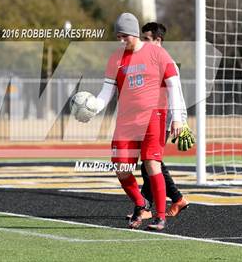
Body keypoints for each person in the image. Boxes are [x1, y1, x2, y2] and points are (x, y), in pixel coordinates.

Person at [75, 13, 186, 231]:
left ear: (134, 33)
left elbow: (174, 85)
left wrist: (178, 118)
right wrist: (92, 109)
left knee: (151, 163)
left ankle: (160, 216)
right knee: (121, 167)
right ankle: (141, 203)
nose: (121, 40)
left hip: (153, 116)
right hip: (126, 120)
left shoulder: (157, 52)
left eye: (125, 36)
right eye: (118, 36)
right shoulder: (116, 58)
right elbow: (106, 92)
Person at [133, 22, 190, 219]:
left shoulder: (167, 62)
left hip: (162, 119)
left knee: (151, 163)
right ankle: (175, 199)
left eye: (147, 39)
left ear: (158, 40)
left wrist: (179, 120)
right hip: (148, 119)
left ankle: (147, 207)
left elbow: (177, 94)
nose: (143, 43)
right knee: (151, 163)